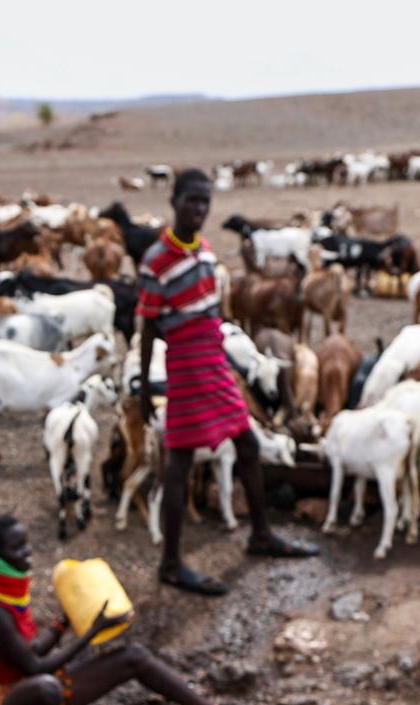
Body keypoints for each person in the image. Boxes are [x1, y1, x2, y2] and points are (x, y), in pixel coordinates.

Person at [137, 168, 318, 596]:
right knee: (179, 461)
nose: (199, 209)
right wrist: (146, 387)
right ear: (174, 202)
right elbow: (147, 327)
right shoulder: (156, 260)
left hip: (214, 360)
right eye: (191, 200)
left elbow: (210, 311)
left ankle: (260, 535)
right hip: (184, 365)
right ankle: (172, 564)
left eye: (205, 201)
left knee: (249, 444)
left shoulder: (203, 250)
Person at [0, 515, 270, 705]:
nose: (28, 552)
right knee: (47, 687)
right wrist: (91, 633)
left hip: (28, 687)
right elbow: (33, 666)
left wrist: (65, 621)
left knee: (133, 656)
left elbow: (31, 650)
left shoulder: (6, 594)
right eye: (17, 548)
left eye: (26, 543)